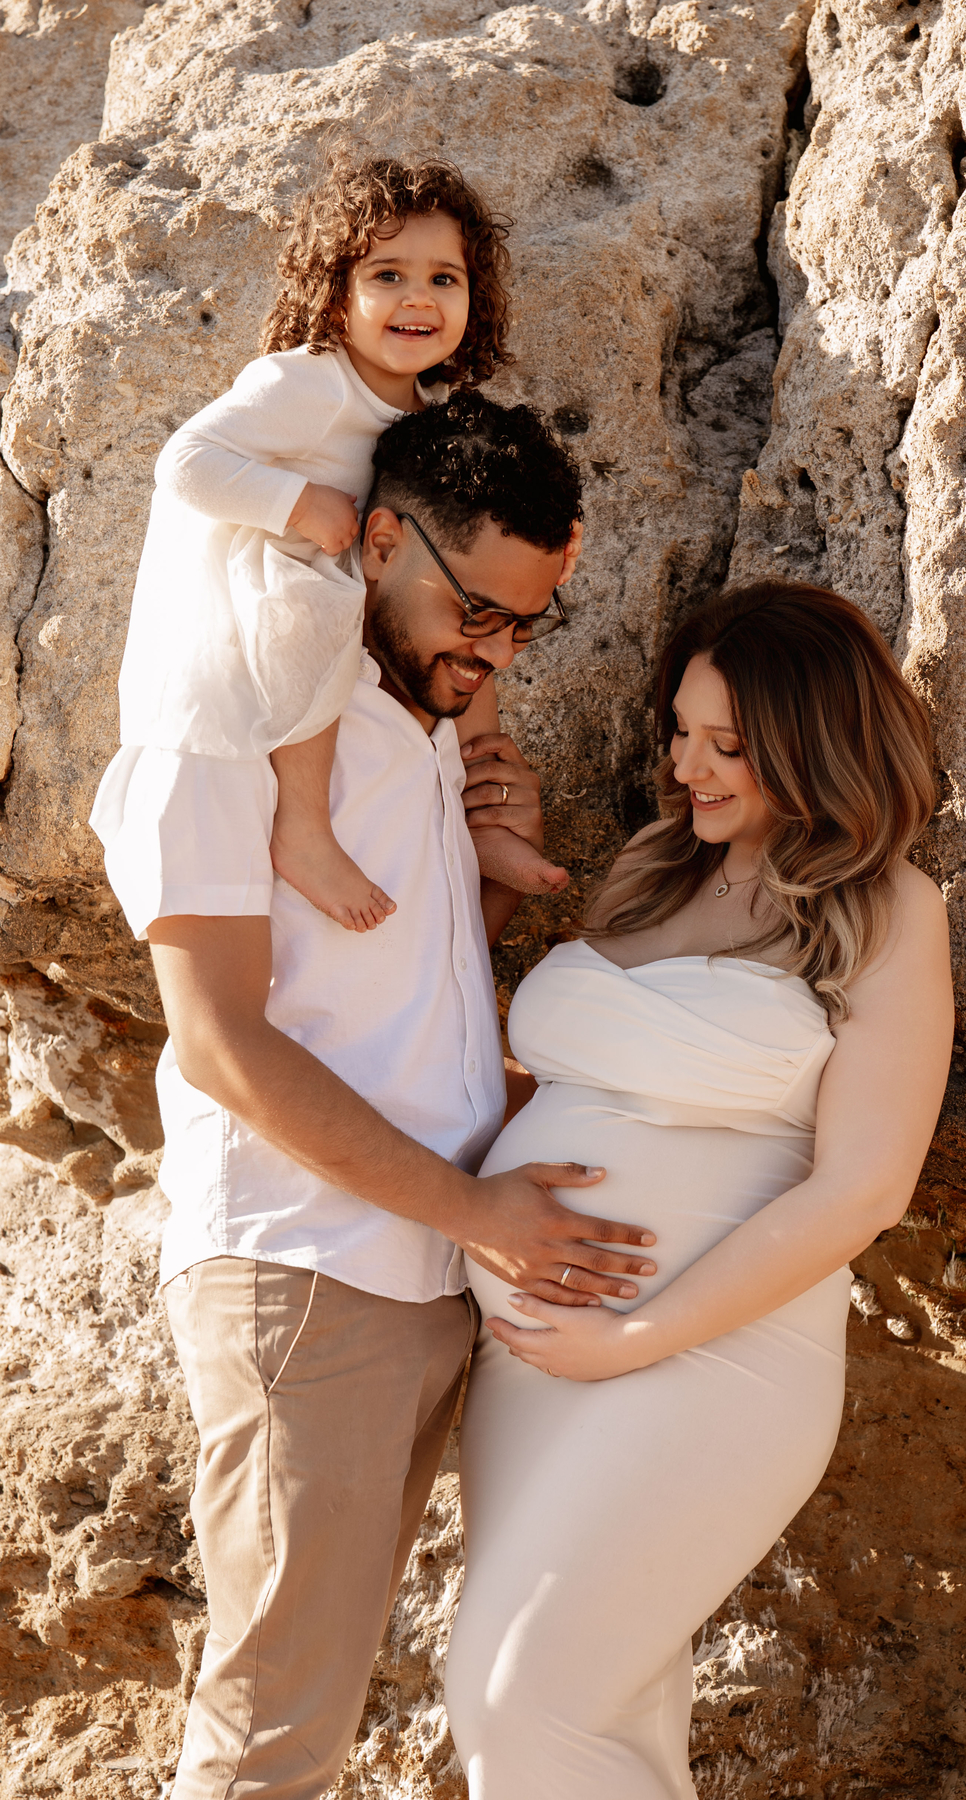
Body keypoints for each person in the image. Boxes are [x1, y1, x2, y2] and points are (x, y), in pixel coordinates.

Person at [88, 395, 657, 1800]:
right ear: (379, 537)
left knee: (314, 1724)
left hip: (421, 1280)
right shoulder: (222, 729)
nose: (493, 650)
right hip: (303, 1277)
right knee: (271, 1738)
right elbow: (219, 1044)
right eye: (475, 609)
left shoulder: (417, 742)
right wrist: (478, 1207)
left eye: (526, 625)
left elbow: (405, 1020)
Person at [443, 581, 956, 1798]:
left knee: (518, 1698)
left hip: (710, 1360)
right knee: (604, 1715)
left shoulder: (888, 911)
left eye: (728, 745)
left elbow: (865, 1191)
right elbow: (515, 1079)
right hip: (533, 1361)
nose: (687, 767)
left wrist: (634, 1335)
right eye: (681, 731)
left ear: (811, 743)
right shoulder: (651, 874)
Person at [117, 152, 574, 933]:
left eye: (444, 279)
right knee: (322, 605)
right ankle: (303, 828)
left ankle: (487, 822)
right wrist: (295, 502)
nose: (417, 298)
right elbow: (184, 464)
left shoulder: (431, 405)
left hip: (355, 595)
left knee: (479, 623)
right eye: (387, 275)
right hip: (280, 590)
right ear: (336, 294)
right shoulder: (305, 382)